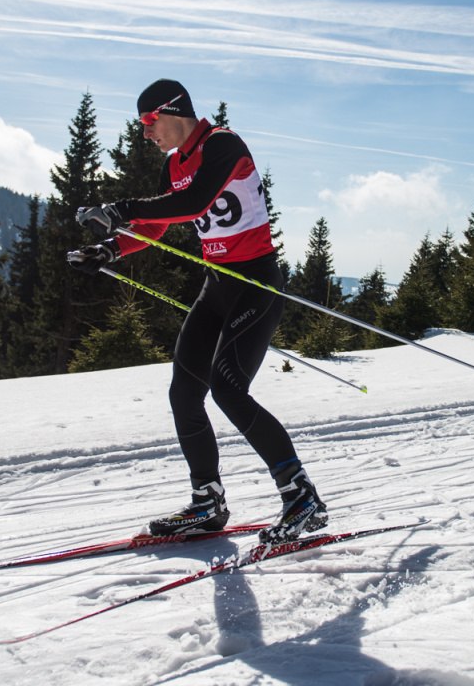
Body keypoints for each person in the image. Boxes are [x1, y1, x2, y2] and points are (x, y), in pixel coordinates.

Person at [67, 78, 328, 544]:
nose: (146, 133)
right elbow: (159, 223)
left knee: (229, 389)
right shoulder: (173, 164)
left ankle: (301, 496)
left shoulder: (223, 145)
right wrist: (109, 249)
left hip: (255, 283)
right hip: (216, 285)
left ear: (174, 111)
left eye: (149, 122)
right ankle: (207, 502)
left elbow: (195, 203)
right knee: (184, 392)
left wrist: (119, 207)